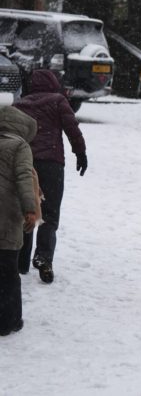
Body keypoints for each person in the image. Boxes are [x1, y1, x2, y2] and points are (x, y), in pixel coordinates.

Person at [14, 70, 87, 284]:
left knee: (26, 210)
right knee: (50, 213)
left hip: (26, 163)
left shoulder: (20, 104)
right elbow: (72, 128)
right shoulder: (58, 100)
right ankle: (44, 258)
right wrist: (80, 153)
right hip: (52, 164)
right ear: (53, 83)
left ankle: (21, 261)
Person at [0, 106, 39, 336]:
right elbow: (24, 177)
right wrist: (30, 210)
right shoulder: (20, 146)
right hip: (7, 215)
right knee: (7, 271)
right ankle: (8, 321)